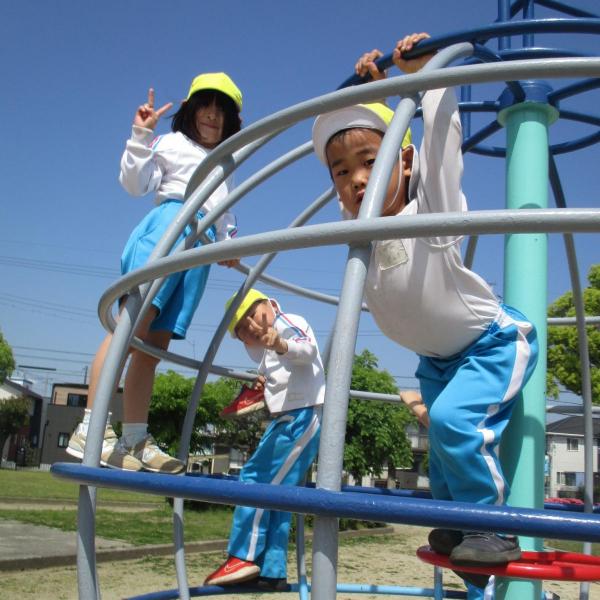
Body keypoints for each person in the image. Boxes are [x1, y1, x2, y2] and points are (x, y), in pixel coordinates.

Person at [311, 32, 539, 587]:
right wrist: (373, 96)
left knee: (454, 422)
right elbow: (360, 158)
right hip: (435, 360)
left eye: (371, 161)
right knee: (442, 448)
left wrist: (425, 80)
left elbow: (440, 143)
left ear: (405, 160)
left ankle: (494, 528)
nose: (356, 179)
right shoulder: (359, 231)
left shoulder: (429, 209)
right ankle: (462, 535)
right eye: (340, 171)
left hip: (490, 344)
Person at [67, 72, 243, 474]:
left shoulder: (227, 161)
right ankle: (90, 426)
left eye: (221, 111)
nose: (212, 116)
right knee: (130, 329)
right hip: (169, 228)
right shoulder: (172, 143)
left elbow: (224, 209)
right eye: (205, 107)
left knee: (153, 349)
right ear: (190, 110)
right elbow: (136, 184)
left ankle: (134, 437)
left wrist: (228, 241)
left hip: (199, 248)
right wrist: (141, 136)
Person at [203, 288, 325, 589]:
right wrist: (263, 384)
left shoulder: (287, 322)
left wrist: (281, 343)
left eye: (254, 316)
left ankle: (243, 556)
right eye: (243, 330)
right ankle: (272, 570)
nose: (253, 328)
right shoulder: (265, 351)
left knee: (254, 479)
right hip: (287, 417)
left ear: (269, 305)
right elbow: (284, 375)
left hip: (301, 417)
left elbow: (307, 350)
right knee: (279, 496)